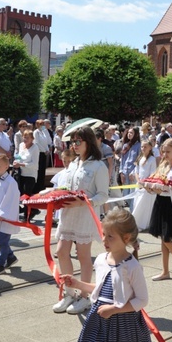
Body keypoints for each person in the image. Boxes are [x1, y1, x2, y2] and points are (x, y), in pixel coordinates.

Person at [65, 208, 154, 342]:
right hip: (99, 320)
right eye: (104, 234)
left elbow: (142, 300)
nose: (104, 240)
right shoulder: (101, 259)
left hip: (124, 324)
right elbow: (100, 289)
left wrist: (113, 309)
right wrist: (77, 284)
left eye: (110, 237)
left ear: (126, 238)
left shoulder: (132, 266)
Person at [52, 126, 110, 315]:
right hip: (68, 214)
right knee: (61, 251)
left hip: (85, 215)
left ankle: (85, 296)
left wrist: (85, 202)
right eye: (72, 142)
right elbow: (66, 186)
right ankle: (69, 292)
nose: (74, 145)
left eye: (78, 142)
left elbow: (103, 195)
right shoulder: (74, 163)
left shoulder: (98, 166)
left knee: (83, 255)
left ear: (89, 142)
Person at [143, 138, 172, 281]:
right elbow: (156, 181)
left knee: (167, 237)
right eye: (163, 151)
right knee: (163, 238)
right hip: (161, 201)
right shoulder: (163, 165)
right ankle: (165, 271)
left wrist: (159, 188)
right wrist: (149, 186)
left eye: (168, 151)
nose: (165, 154)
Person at [13, 129, 40, 197]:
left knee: (26, 195)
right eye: (24, 137)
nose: (25, 139)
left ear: (32, 139)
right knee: (19, 194)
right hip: (20, 174)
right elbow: (19, 156)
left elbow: (34, 164)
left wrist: (21, 164)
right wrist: (16, 161)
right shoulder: (21, 145)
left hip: (30, 175)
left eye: (27, 137)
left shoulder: (35, 148)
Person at [119, 126, 141, 197]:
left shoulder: (139, 146)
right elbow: (122, 160)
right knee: (125, 193)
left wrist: (133, 172)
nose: (129, 134)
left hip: (133, 173)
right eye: (128, 132)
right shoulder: (125, 145)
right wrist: (121, 172)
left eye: (131, 133)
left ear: (136, 134)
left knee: (132, 193)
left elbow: (139, 161)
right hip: (125, 172)